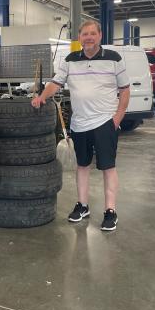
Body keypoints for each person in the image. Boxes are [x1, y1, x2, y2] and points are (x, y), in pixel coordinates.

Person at [31, 20, 130, 231]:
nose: (89, 37)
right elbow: (56, 83)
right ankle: (83, 205)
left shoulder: (114, 58)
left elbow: (125, 89)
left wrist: (118, 117)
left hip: (105, 122)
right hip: (80, 123)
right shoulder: (70, 59)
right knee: (82, 166)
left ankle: (110, 211)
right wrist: (41, 97)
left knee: (108, 167)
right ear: (79, 38)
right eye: (85, 34)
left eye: (93, 33)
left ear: (100, 35)